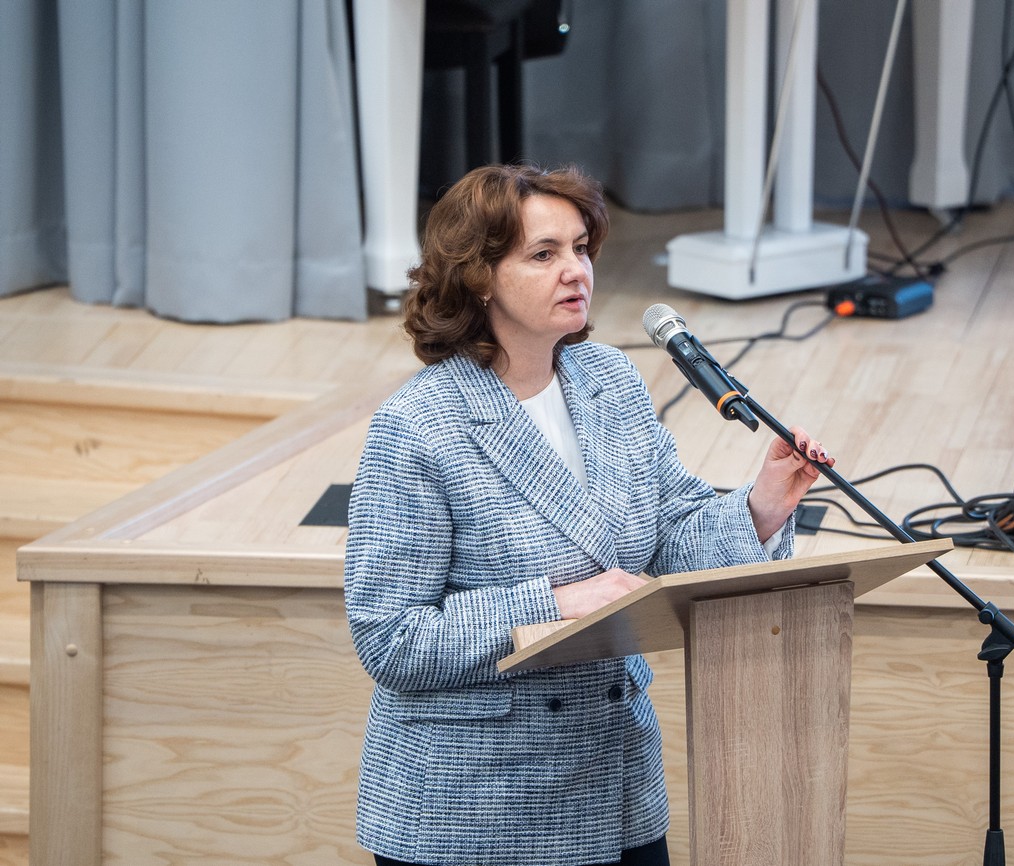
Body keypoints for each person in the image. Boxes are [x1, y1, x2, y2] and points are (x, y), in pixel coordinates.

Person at [343, 163, 833, 866]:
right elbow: (390, 639)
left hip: (616, 785)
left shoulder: (610, 380)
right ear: (478, 278)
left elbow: (665, 540)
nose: (576, 271)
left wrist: (763, 504)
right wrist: (557, 604)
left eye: (580, 248)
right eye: (543, 255)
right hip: (475, 813)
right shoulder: (420, 425)